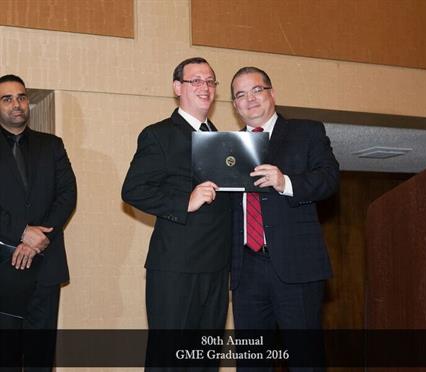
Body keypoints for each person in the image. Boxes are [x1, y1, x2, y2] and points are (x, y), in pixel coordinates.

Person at [230, 67, 339, 371]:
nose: (249, 99)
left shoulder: (307, 131)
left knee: (306, 362)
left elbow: (329, 179)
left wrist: (285, 182)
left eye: (256, 90)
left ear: (272, 93)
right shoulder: (226, 148)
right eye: (240, 94)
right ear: (235, 106)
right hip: (245, 271)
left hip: (297, 268)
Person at [122, 57, 231, 332]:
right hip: (177, 267)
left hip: (218, 268)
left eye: (210, 81)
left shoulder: (224, 141)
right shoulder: (158, 134)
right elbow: (132, 190)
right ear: (176, 87)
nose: (204, 87)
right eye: (195, 80)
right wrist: (186, 201)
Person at [0, 74, 77, 371]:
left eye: (21, 97)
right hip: (4, 267)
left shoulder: (52, 145)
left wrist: (38, 238)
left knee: (41, 357)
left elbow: (67, 195)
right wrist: (22, 231)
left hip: (46, 266)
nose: (16, 104)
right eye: (7, 98)